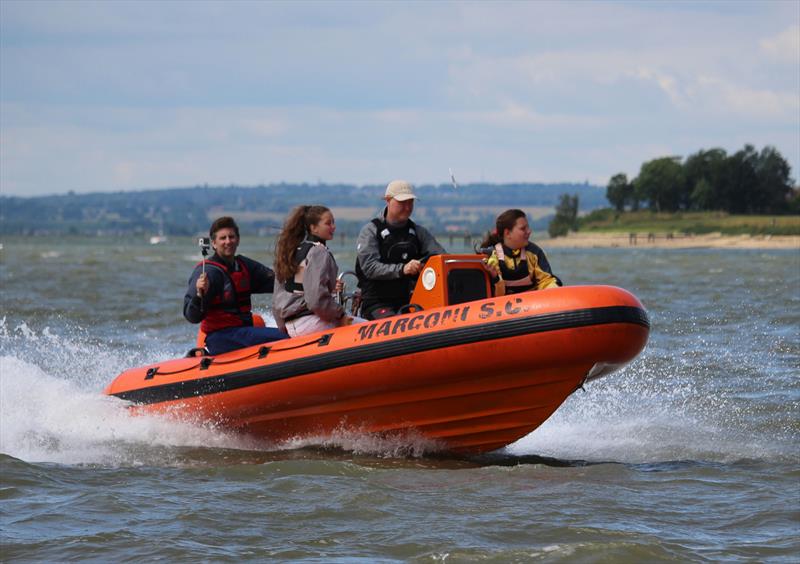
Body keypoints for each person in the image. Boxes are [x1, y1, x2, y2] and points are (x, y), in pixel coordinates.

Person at [183, 216, 287, 355]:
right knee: (285, 337)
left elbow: (276, 282)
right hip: (221, 337)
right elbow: (192, 317)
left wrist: (298, 277)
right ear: (213, 243)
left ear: (238, 240)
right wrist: (199, 295)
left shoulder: (243, 265)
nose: (228, 241)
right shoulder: (208, 272)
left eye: (231, 237)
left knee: (285, 330)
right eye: (223, 238)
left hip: (243, 332)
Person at [355, 180, 447, 320]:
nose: (407, 207)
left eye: (410, 203)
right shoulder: (370, 231)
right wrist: (403, 269)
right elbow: (369, 267)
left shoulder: (418, 232)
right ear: (388, 200)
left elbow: (442, 256)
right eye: (402, 203)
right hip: (377, 303)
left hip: (410, 300)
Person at [273, 205, 362, 336]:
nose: (333, 227)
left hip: (291, 326)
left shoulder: (290, 252)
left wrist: (283, 329)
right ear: (313, 228)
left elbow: (278, 298)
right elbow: (315, 299)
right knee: (366, 326)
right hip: (311, 323)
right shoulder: (319, 252)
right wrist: (340, 315)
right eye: (328, 223)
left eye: (333, 222)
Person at [480, 209, 562, 295]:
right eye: (523, 228)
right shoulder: (493, 257)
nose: (529, 231)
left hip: (533, 305)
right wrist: (496, 278)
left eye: (528, 227)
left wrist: (555, 291)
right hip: (506, 306)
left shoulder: (535, 252)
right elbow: (497, 296)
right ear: (507, 233)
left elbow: (546, 281)